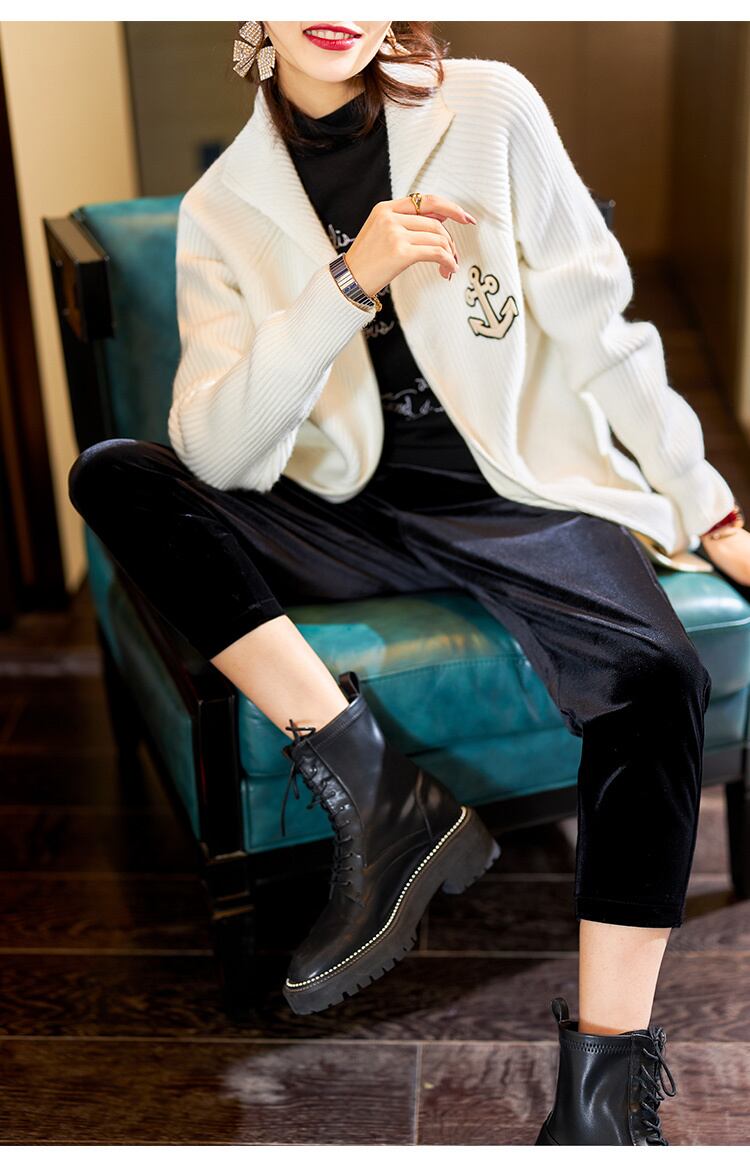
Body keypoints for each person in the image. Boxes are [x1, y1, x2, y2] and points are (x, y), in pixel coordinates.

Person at [67, 20, 750, 1145]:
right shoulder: (223, 207)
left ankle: (601, 1104)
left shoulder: (488, 107)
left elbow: (602, 330)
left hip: (516, 492)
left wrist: (707, 503)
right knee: (118, 474)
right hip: (346, 507)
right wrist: (349, 281)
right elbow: (220, 453)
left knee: (657, 678)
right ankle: (378, 794)